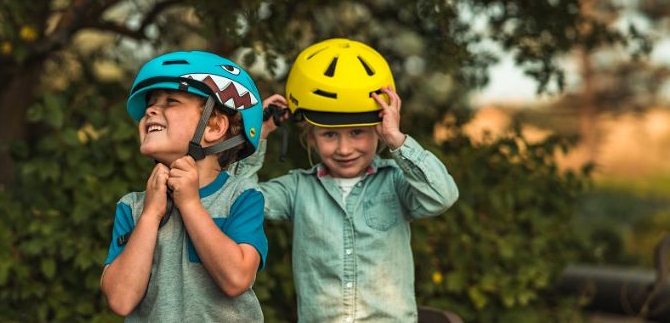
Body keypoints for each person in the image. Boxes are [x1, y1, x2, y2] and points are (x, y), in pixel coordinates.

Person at [230, 38, 459, 322]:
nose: (344, 149)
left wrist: (396, 139)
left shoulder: (396, 182)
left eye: (357, 133)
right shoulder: (298, 188)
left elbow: (442, 196)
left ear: (378, 130)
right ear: (310, 138)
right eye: (329, 135)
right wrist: (258, 134)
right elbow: (237, 198)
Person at [100, 51, 269, 322]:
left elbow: (236, 279)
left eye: (171, 101)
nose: (150, 110)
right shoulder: (132, 207)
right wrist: (150, 216)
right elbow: (121, 300)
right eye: (151, 103)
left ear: (214, 126)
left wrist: (189, 203)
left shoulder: (242, 198)